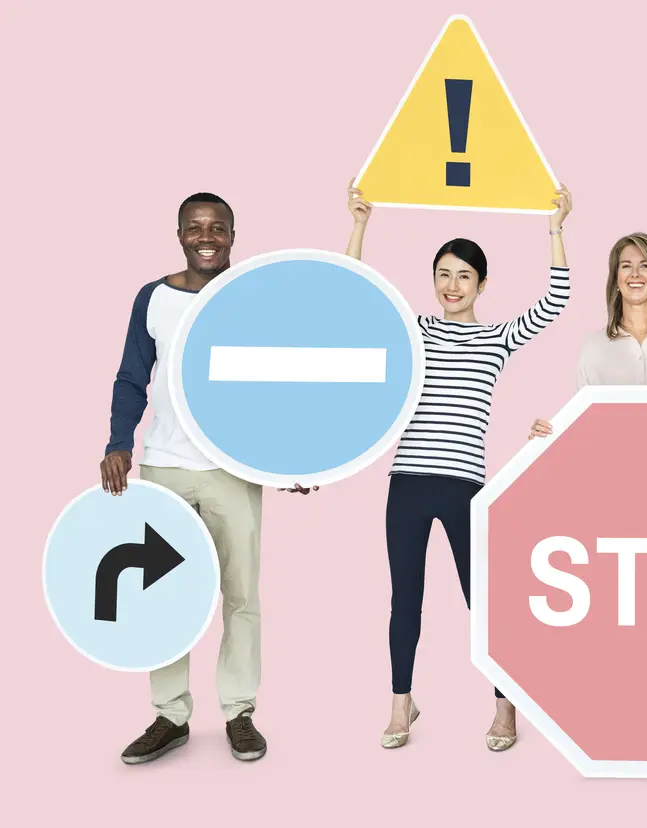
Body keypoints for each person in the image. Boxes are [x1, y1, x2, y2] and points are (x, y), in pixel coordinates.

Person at [345, 180, 572, 751]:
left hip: (466, 487)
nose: (452, 285)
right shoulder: (414, 331)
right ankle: (400, 706)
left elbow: (557, 299)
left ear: (482, 284)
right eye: (443, 275)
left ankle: (505, 708)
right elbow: (354, 296)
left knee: (483, 601)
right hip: (408, 482)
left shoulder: (498, 338)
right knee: (405, 599)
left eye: (464, 276)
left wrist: (554, 228)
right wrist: (360, 225)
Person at [101, 193, 314, 766]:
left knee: (241, 595)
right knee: (162, 595)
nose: (206, 236)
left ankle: (239, 712)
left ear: (232, 236)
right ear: (179, 235)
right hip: (165, 467)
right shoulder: (153, 298)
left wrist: (293, 458)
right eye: (195, 227)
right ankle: (170, 715)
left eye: (218, 227)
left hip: (232, 469)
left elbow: (276, 384)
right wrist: (118, 443)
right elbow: (131, 378)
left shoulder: (250, 295)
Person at [527, 232, 647, 442]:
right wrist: (543, 437)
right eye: (626, 266)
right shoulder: (594, 346)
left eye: (645, 265)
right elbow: (581, 426)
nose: (635, 274)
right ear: (616, 279)